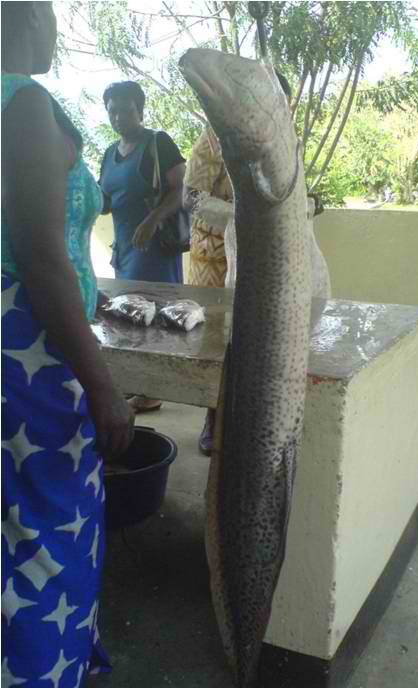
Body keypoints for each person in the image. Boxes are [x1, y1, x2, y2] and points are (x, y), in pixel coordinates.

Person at [1, 2, 134, 686]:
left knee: (13, 525)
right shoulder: (21, 102)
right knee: (52, 531)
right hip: (33, 355)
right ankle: (43, 670)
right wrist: (105, 384)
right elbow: (41, 258)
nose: (55, 31)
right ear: (24, 17)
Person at [183, 71, 293, 456]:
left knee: (256, 342)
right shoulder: (216, 136)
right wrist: (244, 215)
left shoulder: (285, 142)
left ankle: (246, 425)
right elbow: (191, 198)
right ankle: (212, 422)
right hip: (213, 259)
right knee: (217, 345)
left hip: (259, 257)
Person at [99, 81, 187, 413]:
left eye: (127, 110)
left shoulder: (157, 143)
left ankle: (151, 390)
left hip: (153, 248)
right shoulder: (110, 152)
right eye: (113, 111)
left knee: (152, 316)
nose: (119, 117)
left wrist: (152, 219)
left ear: (141, 110)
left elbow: (182, 188)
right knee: (125, 316)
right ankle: (136, 384)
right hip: (124, 246)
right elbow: (106, 200)